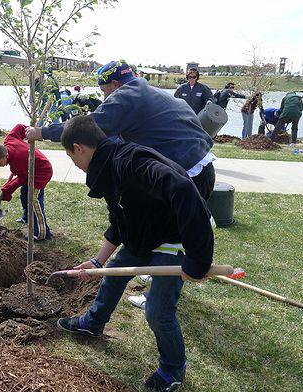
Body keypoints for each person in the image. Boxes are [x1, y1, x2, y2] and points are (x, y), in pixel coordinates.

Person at [57, 116, 214, 392]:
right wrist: (98, 260)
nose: (76, 165)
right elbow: (120, 219)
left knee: (158, 312)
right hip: (142, 235)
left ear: (79, 147)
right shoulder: (108, 168)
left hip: (169, 236)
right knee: (114, 276)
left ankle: (172, 369)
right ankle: (92, 324)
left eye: (71, 158)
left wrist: (199, 260)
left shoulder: (130, 161)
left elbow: (182, 187)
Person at [26, 60, 216, 201]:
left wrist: (42, 132)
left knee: (165, 238)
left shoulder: (127, 96)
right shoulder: (146, 92)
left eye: (104, 91)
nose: (105, 96)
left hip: (190, 174)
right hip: (201, 166)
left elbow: (86, 127)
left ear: (116, 85)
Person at [0, 124, 53, 241]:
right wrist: (28, 131)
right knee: (24, 194)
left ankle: (41, 234)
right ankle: (27, 217)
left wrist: (8, 189)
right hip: (29, 168)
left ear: (4, 156)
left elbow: (21, 179)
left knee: (33, 200)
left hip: (41, 171)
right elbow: (20, 127)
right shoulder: (9, 140)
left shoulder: (17, 161)